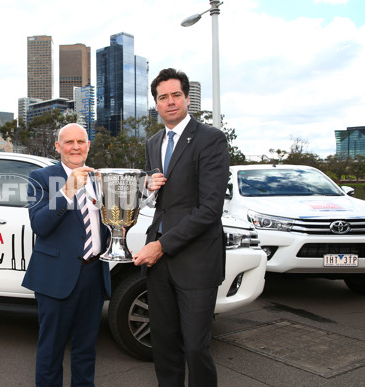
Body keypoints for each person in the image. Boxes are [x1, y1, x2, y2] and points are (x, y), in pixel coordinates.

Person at [132, 68, 229, 387]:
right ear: (156, 104)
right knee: (163, 345)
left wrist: (161, 245)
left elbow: (209, 209)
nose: (170, 102)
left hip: (196, 262)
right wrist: (147, 188)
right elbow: (161, 202)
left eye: (176, 95)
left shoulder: (211, 139)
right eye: (163, 97)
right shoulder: (153, 142)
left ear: (187, 98)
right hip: (160, 267)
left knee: (196, 348)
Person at [22, 123, 111, 386]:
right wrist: (68, 189)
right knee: (51, 351)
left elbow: (109, 224)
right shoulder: (40, 177)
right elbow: (40, 225)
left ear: (88, 146)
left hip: (94, 274)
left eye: (80, 142)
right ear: (58, 147)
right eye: (69, 142)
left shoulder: (99, 178)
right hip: (56, 277)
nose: (75, 147)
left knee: (86, 351)